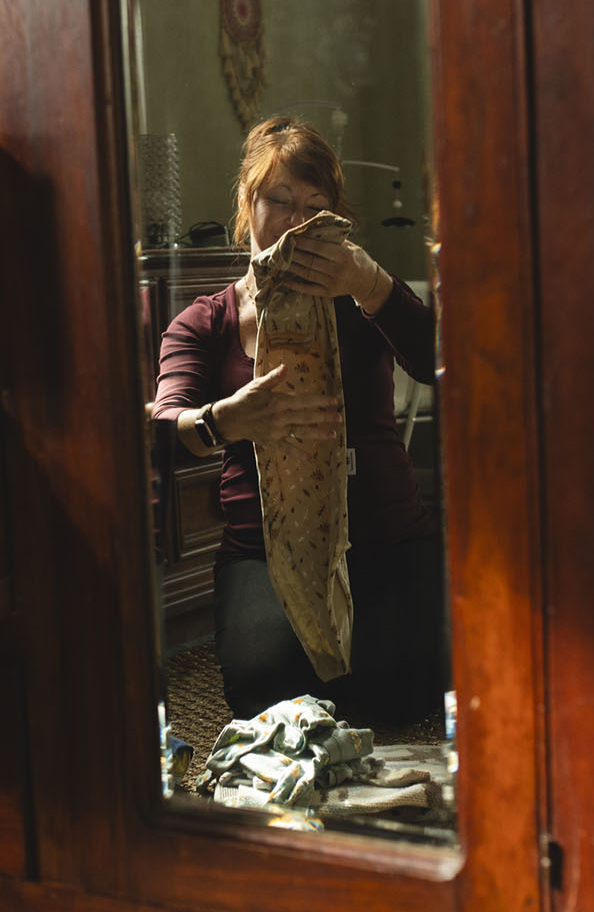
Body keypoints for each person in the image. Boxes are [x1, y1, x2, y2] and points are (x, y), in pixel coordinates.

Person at [152, 115, 445, 725]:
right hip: (265, 548)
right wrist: (226, 420)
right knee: (270, 697)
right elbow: (166, 428)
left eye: (314, 206)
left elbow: (439, 361)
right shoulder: (205, 322)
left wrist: (373, 284)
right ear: (246, 204)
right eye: (279, 201)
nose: (295, 222)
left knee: (408, 689)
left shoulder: (364, 296)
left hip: (384, 531)